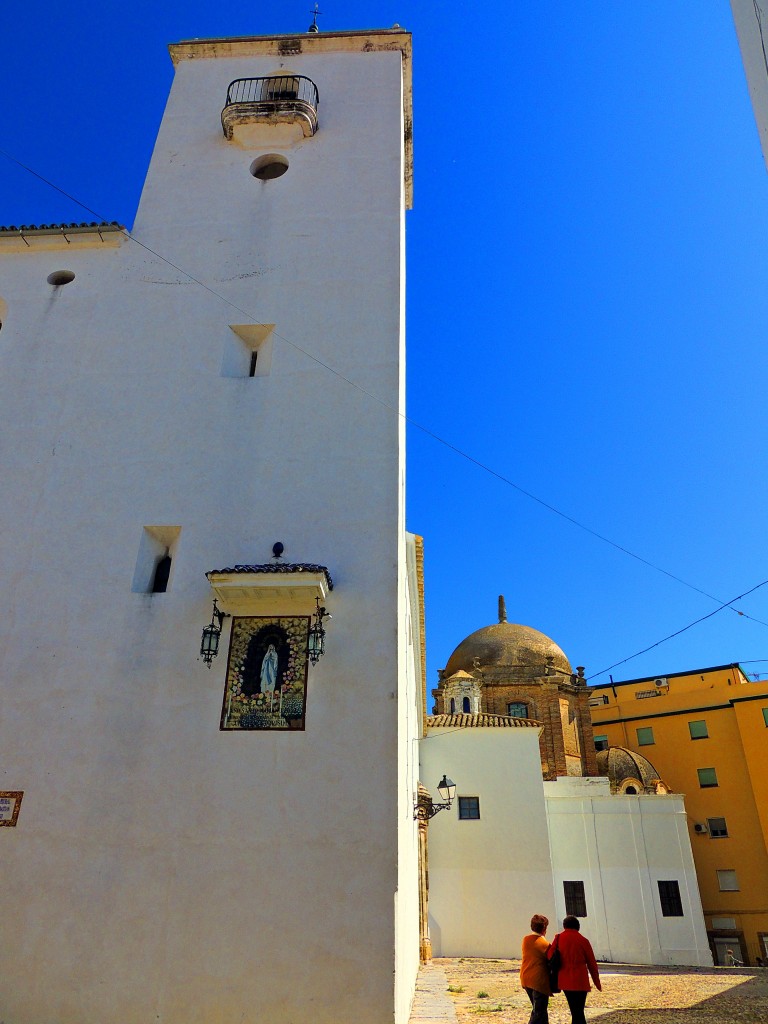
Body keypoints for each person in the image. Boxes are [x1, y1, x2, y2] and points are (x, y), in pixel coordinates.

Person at [548, 916, 601, 1024]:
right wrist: (597, 982)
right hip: (581, 981)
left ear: (564, 926)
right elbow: (592, 963)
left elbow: (550, 956)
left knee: (575, 1010)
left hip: (565, 980)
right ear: (578, 927)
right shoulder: (583, 940)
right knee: (579, 1010)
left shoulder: (558, 938)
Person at [520, 913, 552, 1024]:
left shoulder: (525, 939)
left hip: (526, 977)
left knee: (540, 1010)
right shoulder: (544, 943)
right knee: (539, 1012)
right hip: (538, 981)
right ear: (544, 928)